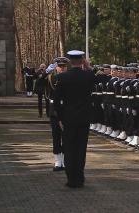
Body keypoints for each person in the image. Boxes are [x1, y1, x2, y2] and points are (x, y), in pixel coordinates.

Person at [54, 50, 95, 188]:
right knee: (81, 149)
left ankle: (71, 179)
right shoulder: (89, 76)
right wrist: (88, 67)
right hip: (84, 118)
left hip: (68, 118)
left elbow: (57, 100)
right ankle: (80, 178)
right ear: (82, 61)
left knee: (70, 148)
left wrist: (59, 118)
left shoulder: (63, 77)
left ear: (70, 62)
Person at [45, 57, 69, 171]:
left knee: (66, 137)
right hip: (54, 111)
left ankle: (64, 161)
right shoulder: (51, 77)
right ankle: (57, 161)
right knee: (56, 136)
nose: (62, 68)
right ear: (56, 68)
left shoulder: (70, 78)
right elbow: (39, 82)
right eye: (60, 66)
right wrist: (46, 72)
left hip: (66, 110)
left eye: (64, 66)